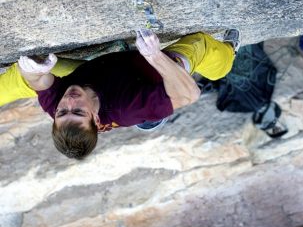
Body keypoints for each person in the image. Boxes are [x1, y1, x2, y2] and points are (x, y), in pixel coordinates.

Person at [14, 29, 239, 159]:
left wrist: (33, 69)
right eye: (79, 111)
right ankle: (228, 53)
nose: (69, 101)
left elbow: (36, 80)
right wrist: (154, 56)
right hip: (144, 74)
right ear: (96, 119)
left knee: (21, 78)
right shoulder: (130, 108)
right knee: (197, 46)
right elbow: (189, 94)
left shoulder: (60, 109)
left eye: (62, 111)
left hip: (93, 70)